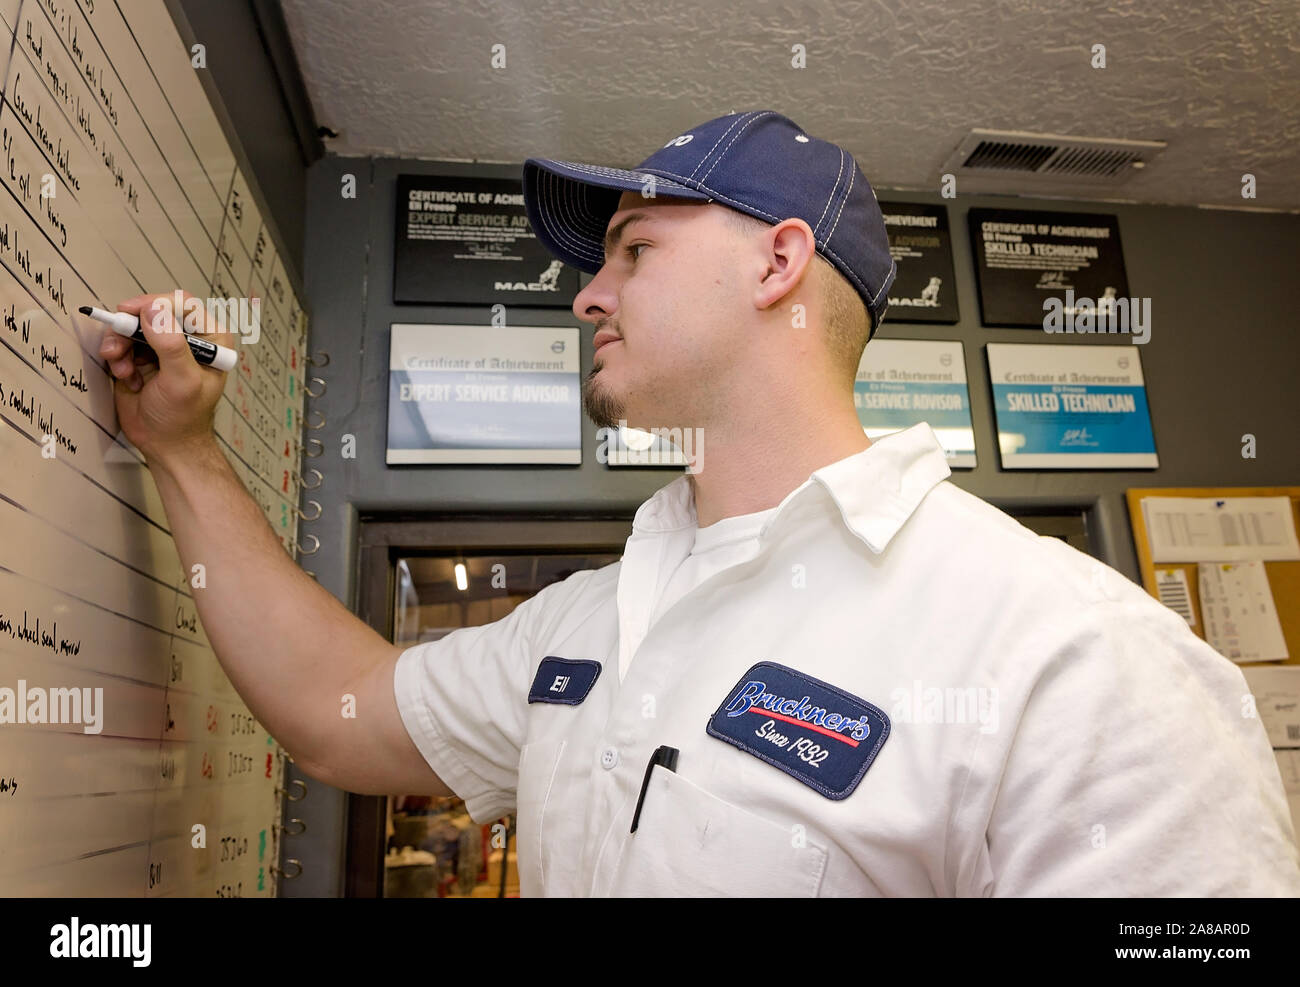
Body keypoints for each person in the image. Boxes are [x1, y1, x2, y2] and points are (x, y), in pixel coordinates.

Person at [102, 109, 1300, 897]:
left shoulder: (1075, 655)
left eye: (632, 251)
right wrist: (186, 453)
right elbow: (332, 711)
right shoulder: (588, 624)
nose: (586, 297)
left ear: (777, 265)